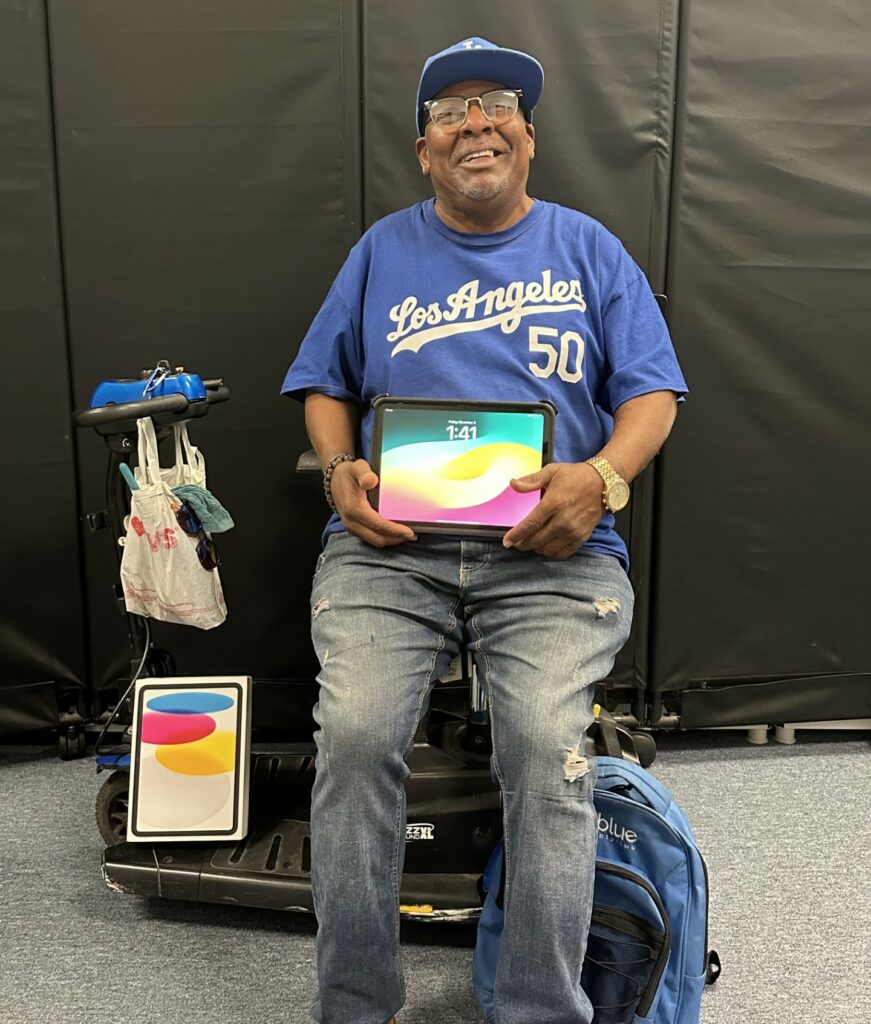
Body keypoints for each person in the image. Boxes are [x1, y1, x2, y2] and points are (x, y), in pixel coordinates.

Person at [282, 37, 687, 1024]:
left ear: (528, 137)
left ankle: (540, 1012)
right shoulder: (380, 251)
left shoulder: (590, 249)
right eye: (450, 112)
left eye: (495, 104)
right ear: (424, 151)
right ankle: (354, 1003)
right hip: (392, 554)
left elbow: (653, 392)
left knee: (548, 747)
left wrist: (601, 476)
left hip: (555, 557)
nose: (475, 123)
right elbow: (322, 385)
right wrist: (338, 471)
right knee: (356, 737)